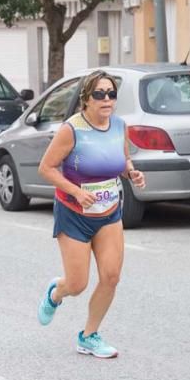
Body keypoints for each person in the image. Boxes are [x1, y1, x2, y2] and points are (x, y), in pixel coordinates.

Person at [36, 71, 145, 358]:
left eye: (111, 93)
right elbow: (46, 168)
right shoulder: (71, 130)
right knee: (77, 284)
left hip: (108, 212)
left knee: (111, 276)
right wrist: (75, 191)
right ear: (86, 98)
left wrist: (131, 172)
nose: (107, 99)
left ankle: (89, 335)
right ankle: (56, 293)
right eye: (99, 93)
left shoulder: (120, 126)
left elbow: (121, 161)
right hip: (74, 213)